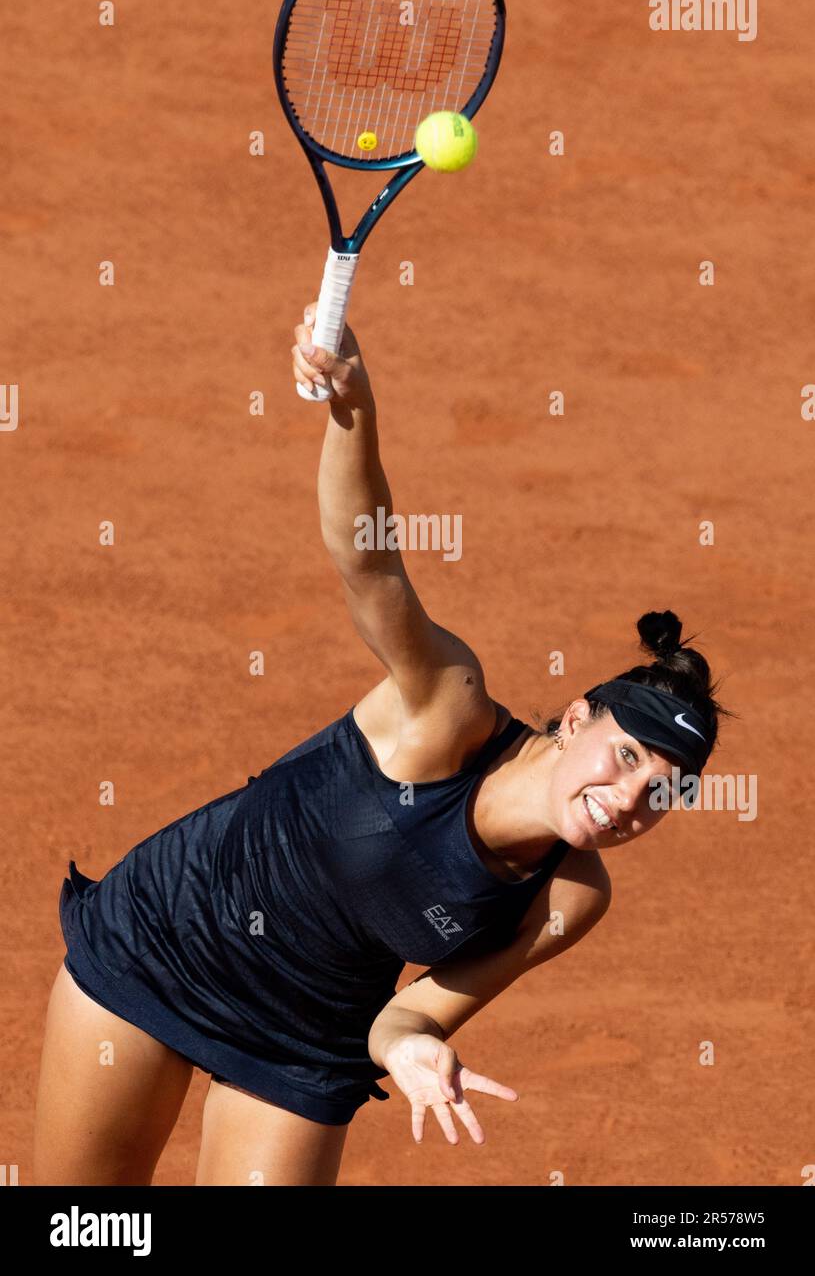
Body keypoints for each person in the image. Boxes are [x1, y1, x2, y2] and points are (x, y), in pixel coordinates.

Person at [33, 307, 731, 1186]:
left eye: (662, 793)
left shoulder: (570, 895)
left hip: (306, 1039)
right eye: (626, 757)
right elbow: (369, 563)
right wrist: (351, 406)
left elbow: (410, 1017)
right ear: (575, 717)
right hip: (167, 941)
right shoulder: (447, 709)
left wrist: (413, 1052)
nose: (630, 800)